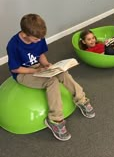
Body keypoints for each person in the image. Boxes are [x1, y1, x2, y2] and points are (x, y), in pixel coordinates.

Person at [6, 14, 95, 142]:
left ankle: (81, 100)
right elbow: (15, 69)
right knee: (51, 81)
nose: (39, 41)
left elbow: (40, 54)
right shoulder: (13, 45)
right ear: (25, 34)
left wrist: (47, 64)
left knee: (62, 73)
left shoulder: (38, 36)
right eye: (36, 39)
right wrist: (35, 70)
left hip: (38, 67)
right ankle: (55, 120)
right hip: (23, 73)